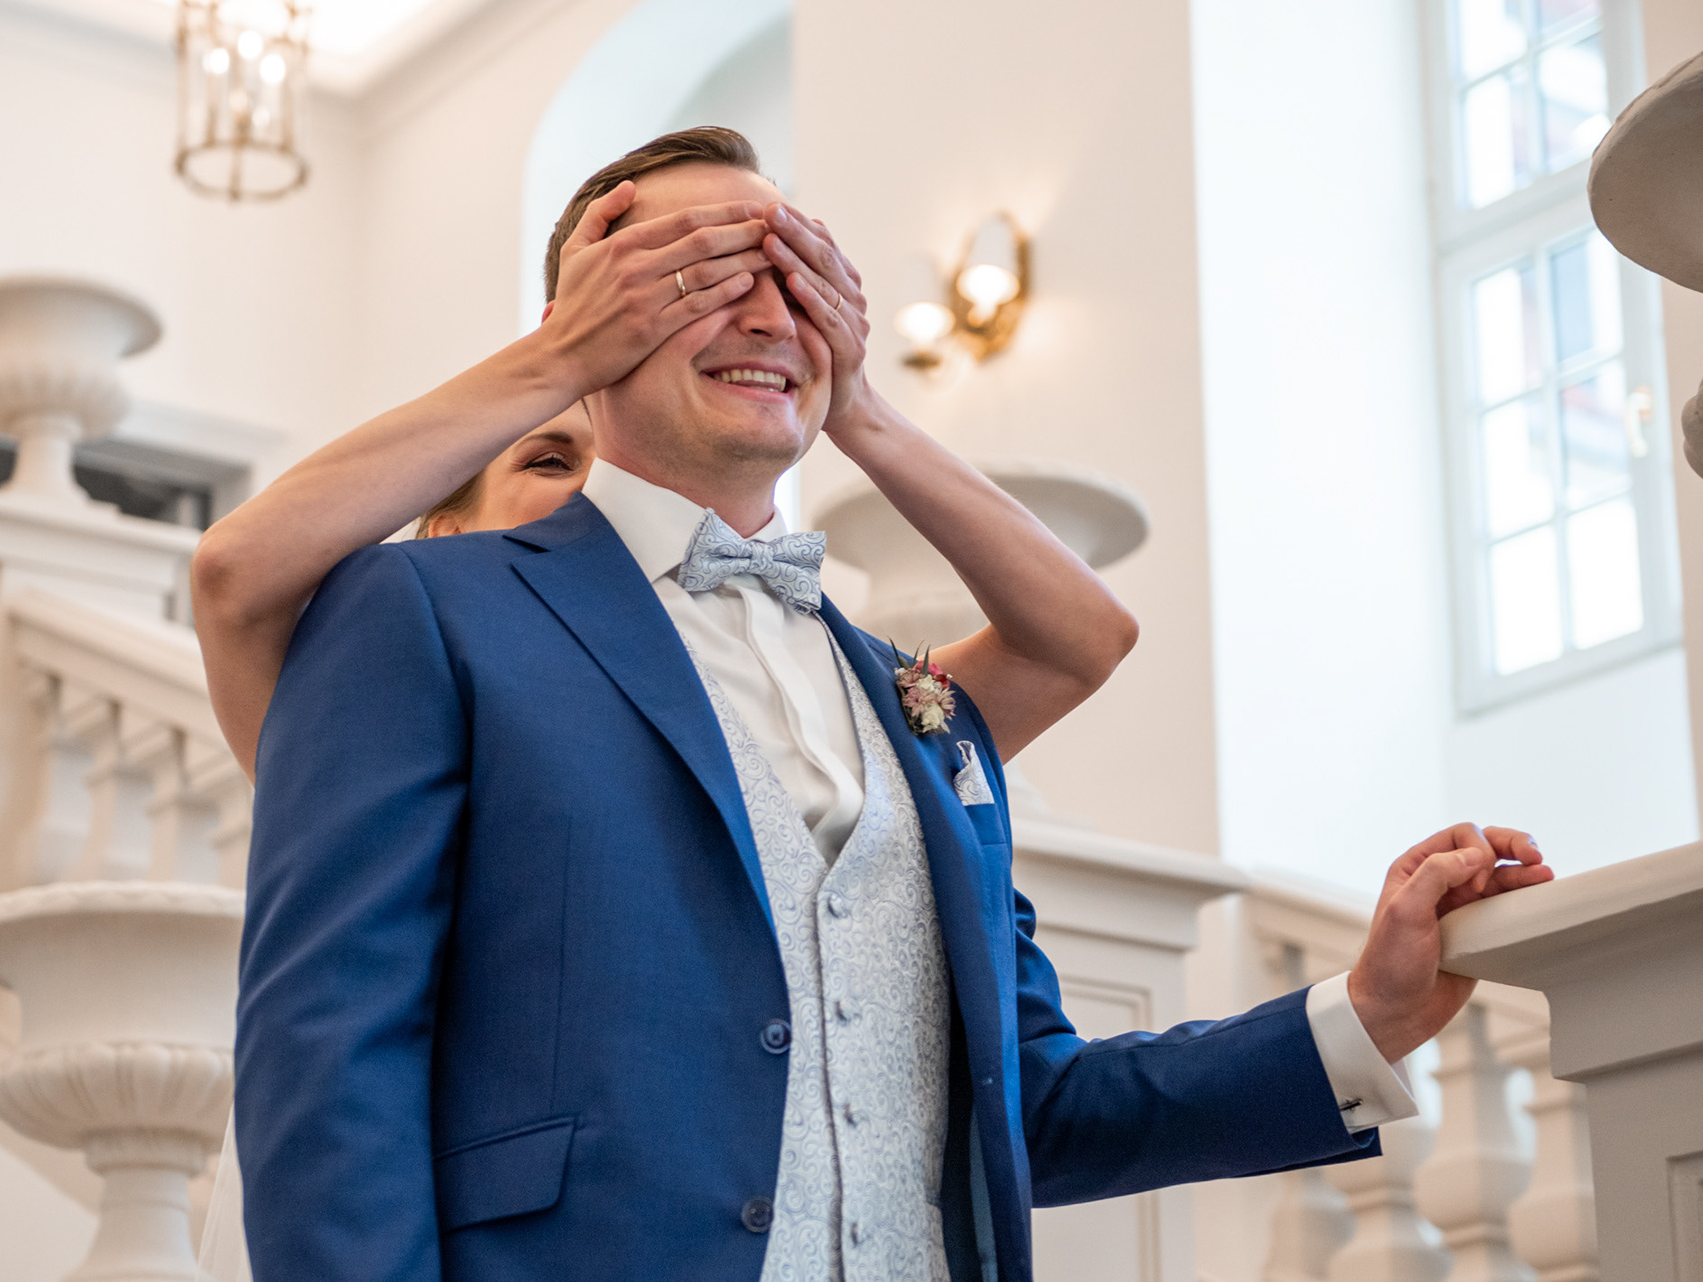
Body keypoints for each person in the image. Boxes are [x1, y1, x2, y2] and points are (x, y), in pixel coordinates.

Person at [230, 128, 1550, 1282]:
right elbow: (328, 1059)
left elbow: (1035, 1104)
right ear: (586, 323)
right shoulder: (422, 614)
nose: (764, 313)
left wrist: (1364, 1016)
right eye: (702, 273)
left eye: (795, 276)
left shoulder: (908, 699)